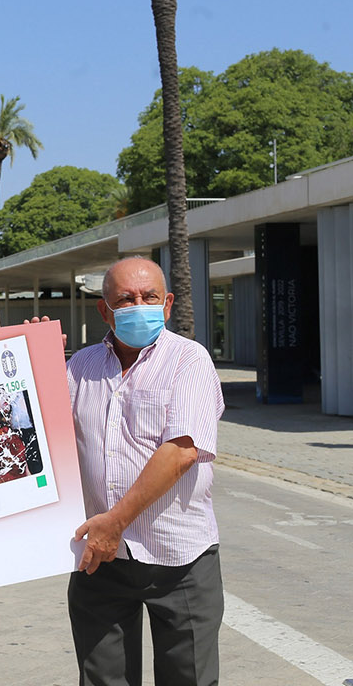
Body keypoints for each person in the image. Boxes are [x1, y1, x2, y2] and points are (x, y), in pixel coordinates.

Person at [66, 256, 224, 686]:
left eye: (149, 297)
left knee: (188, 679)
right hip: (101, 560)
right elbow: (38, 438)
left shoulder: (189, 360)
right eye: (125, 299)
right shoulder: (79, 367)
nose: (139, 305)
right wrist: (33, 358)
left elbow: (181, 452)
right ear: (104, 310)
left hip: (179, 557)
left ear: (168, 304)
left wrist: (114, 523)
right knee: (102, 679)